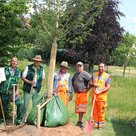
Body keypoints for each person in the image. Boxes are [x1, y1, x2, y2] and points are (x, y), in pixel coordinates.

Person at [0, 57, 23, 125]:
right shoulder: (4, 69)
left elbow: (18, 82)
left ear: (17, 63)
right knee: (4, 107)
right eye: (13, 61)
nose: (14, 62)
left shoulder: (18, 71)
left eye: (15, 61)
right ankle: (1, 120)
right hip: (4, 91)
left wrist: (17, 91)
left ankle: (18, 120)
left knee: (20, 103)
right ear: (10, 62)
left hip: (13, 92)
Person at [22, 55, 45, 121]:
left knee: (35, 105)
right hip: (28, 89)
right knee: (26, 105)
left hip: (37, 89)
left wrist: (41, 83)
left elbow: (43, 78)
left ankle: (32, 120)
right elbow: (23, 77)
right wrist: (29, 82)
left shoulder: (41, 69)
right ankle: (24, 119)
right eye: (36, 61)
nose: (37, 62)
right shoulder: (28, 67)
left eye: (38, 61)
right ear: (34, 61)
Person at [90, 63, 111, 129]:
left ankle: (101, 123)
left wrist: (100, 91)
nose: (100, 68)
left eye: (102, 67)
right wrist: (93, 84)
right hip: (94, 96)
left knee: (101, 111)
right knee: (95, 111)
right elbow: (89, 83)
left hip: (102, 98)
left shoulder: (107, 76)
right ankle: (96, 123)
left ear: (104, 68)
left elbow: (108, 87)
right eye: (99, 67)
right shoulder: (94, 75)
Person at [72, 62, 91, 129]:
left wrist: (87, 89)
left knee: (82, 108)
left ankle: (80, 122)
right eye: (78, 66)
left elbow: (91, 81)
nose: (79, 67)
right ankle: (79, 121)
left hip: (83, 93)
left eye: (80, 66)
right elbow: (73, 80)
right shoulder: (76, 74)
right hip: (78, 93)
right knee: (78, 108)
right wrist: (74, 89)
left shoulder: (85, 74)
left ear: (83, 67)